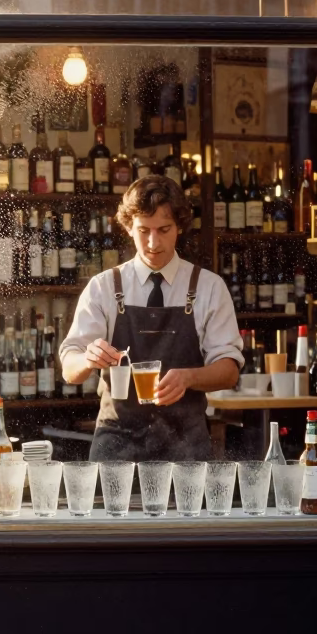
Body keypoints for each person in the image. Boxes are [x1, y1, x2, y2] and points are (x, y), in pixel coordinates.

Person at [59, 175, 242, 460]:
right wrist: (87, 359)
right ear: (128, 227)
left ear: (179, 227)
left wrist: (188, 378)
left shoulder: (208, 287)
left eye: (164, 229)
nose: (153, 243)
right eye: (143, 230)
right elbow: (70, 369)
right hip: (116, 450)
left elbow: (229, 371)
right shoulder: (104, 286)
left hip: (186, 451)